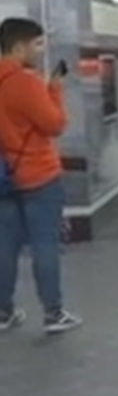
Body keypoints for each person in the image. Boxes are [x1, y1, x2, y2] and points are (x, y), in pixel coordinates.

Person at [0, 18, 82, 333]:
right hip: (38, 176)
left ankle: (3, 312)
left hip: (5, 177)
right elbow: (54, 124)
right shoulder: (25, 82)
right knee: (44, 244)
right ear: (19, 46)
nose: (40, 50)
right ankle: (53, 313)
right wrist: (55, 90)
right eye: (37, 44)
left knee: (5, 245)